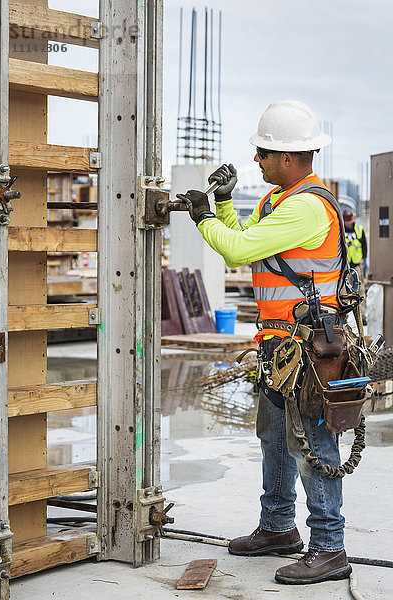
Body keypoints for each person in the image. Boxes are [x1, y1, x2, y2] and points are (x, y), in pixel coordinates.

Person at [176, 100, 353, 585]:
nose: (256, 160)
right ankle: (278, 527)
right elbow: (248, 239)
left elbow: (234, 248)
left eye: (262, 153)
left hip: (311, 348)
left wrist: (201, 216)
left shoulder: (307, 207)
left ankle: (329, 547)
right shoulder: (278, 202)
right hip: (281, 346)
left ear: (288, 158)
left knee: (314, 445)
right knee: (275, 437)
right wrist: (224, 206)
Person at [343, 207, 367, 320]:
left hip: (356, 264)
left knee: (360, 290)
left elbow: (364, 245)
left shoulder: (359, 229)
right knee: (343, 291)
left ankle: (362, 315)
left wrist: (363, 258)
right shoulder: (340, 230)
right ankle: (344, 315)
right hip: (345, 265)